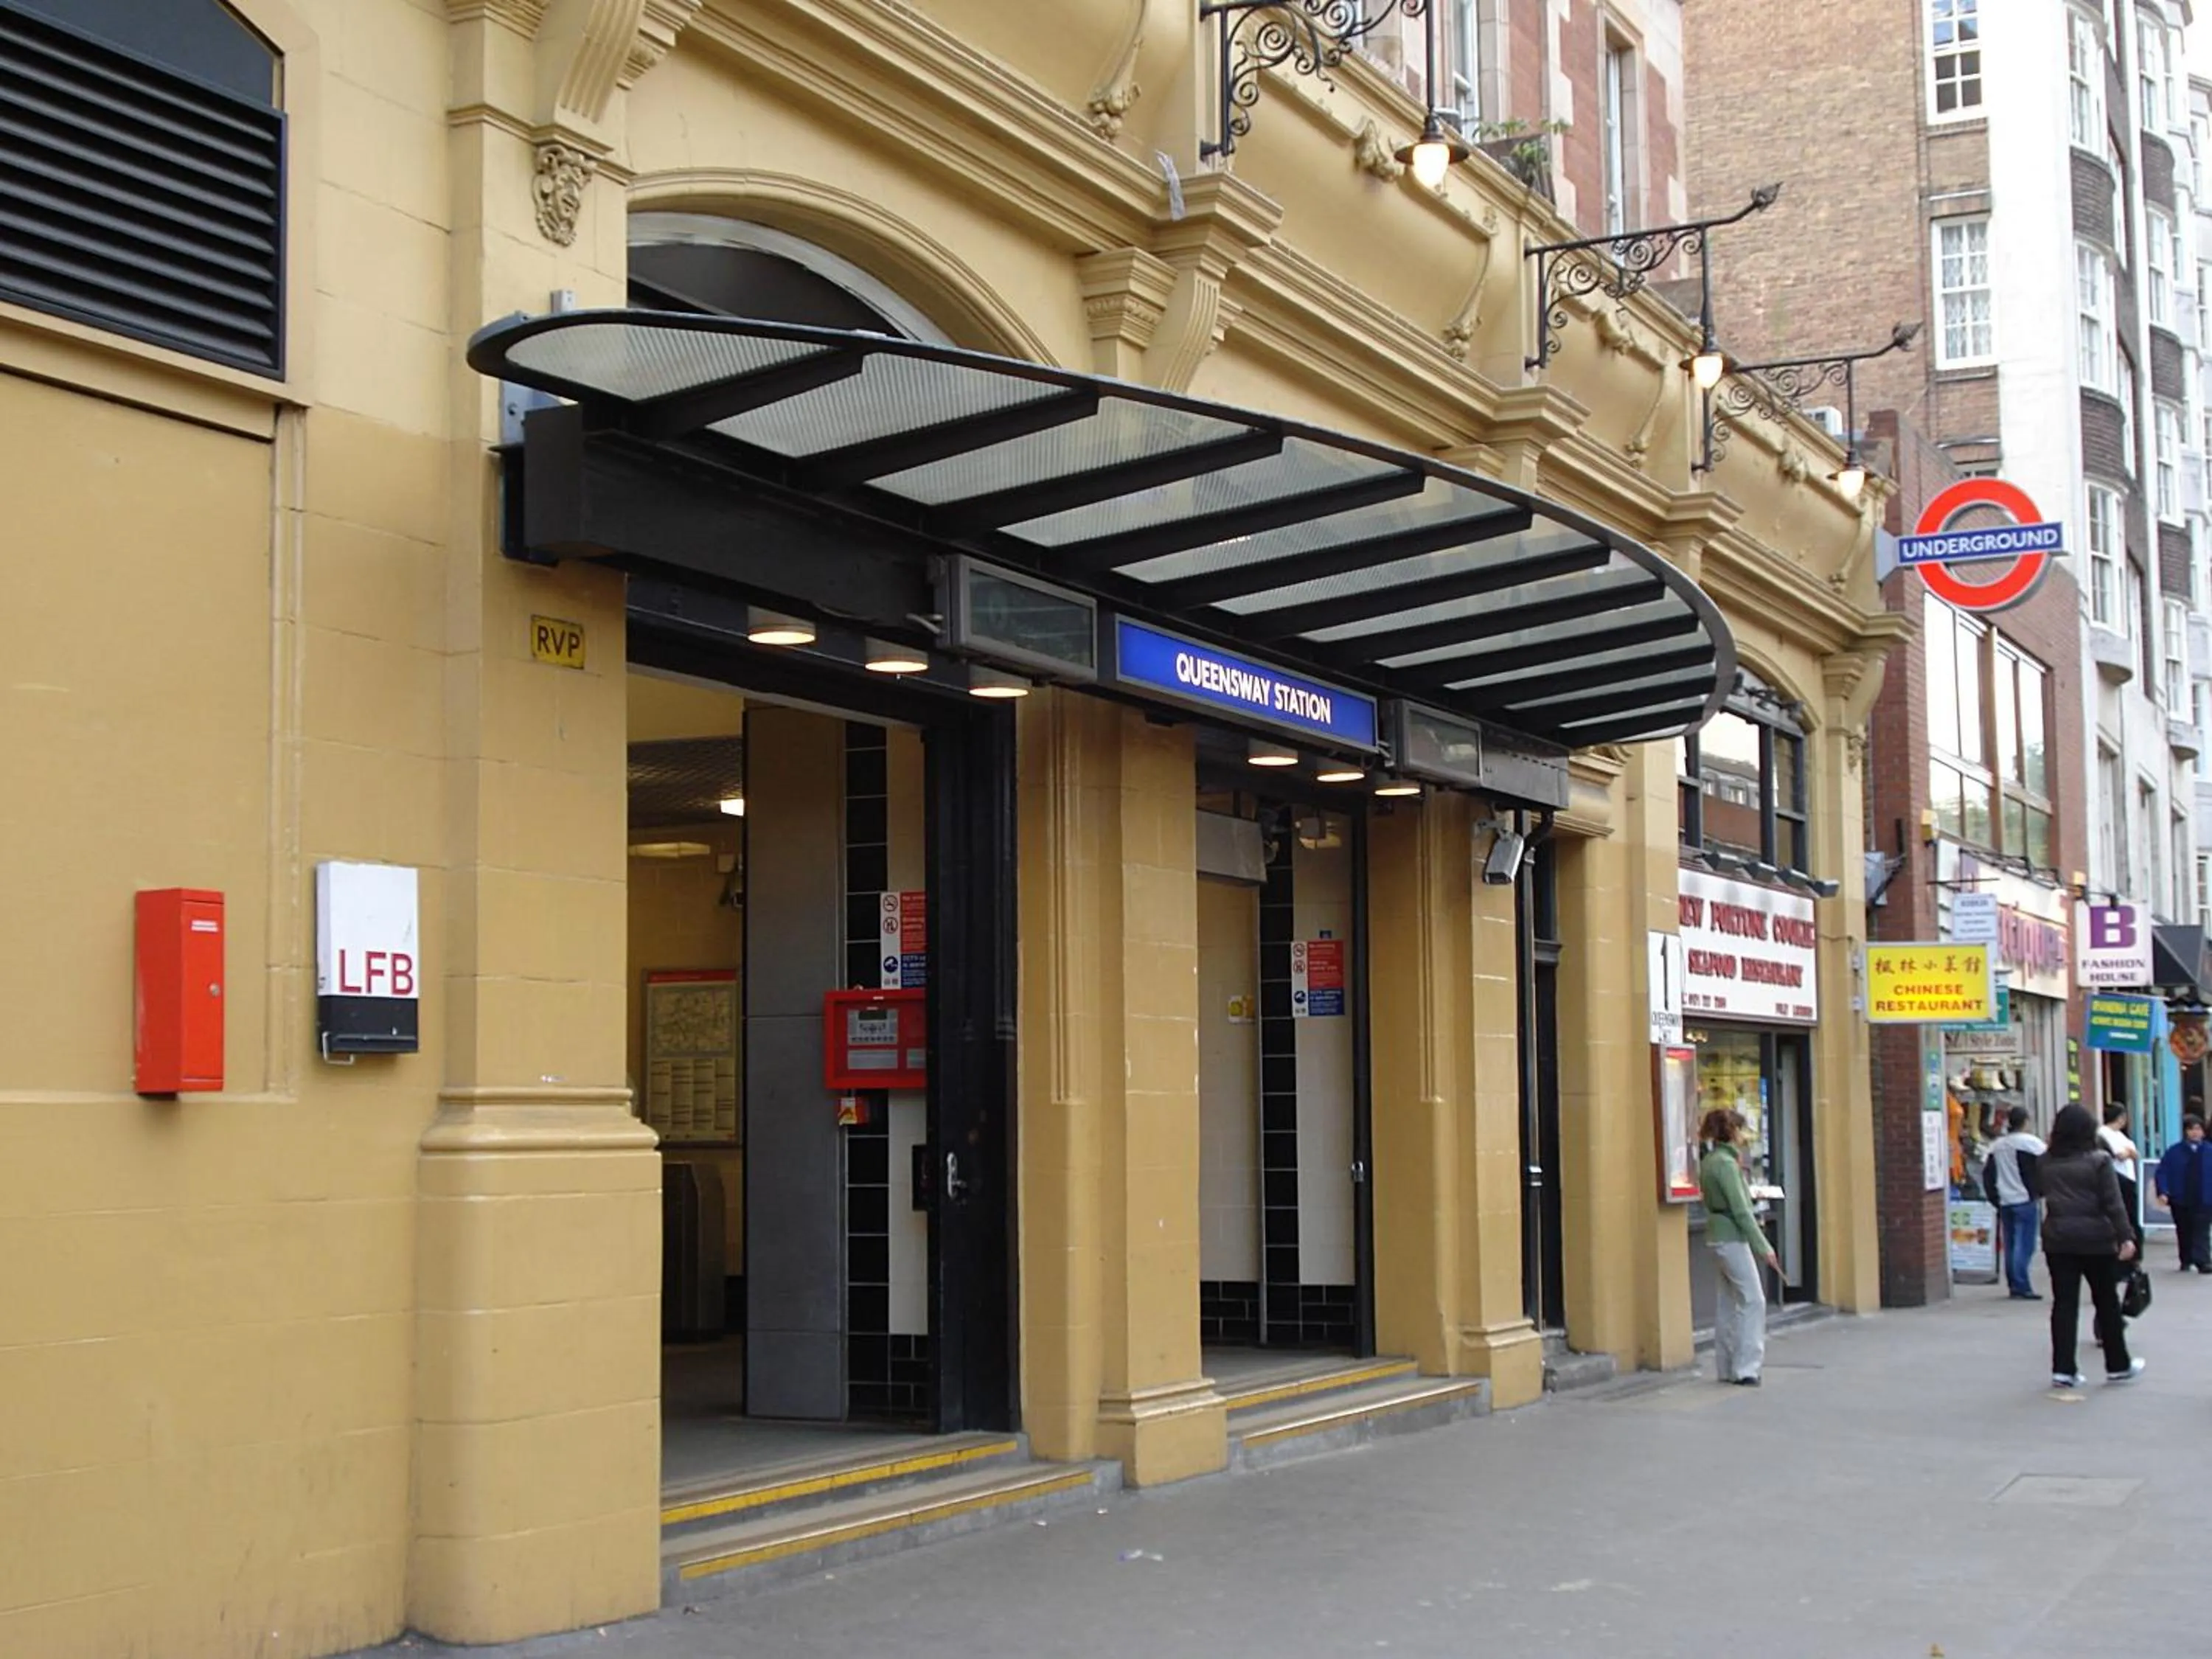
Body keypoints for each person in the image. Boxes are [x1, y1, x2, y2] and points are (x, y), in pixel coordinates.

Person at [2040, 1104, 2144, 1387]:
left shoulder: (2046, 1161)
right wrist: (2126, 1236)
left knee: (2064, 1304)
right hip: (2096, 1239)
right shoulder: (2098, 1161)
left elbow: (2037, 1189)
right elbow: (2114, 1203)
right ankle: (2117, 1364)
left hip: (2058, 1238)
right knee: (2106, 1301)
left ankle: (2063, 1369)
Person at [1699, 1107, 1776, 1387]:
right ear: (1731, 1131)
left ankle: (1726, 1365)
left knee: (1728, 1302)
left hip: (1715, 1235)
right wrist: (1763, 1246)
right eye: (1741, 1129)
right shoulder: (1727, 1165)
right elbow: (1742, 1210)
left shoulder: (1710, 1161)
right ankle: (1747, 1367)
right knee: (1754, 1300)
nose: (1744, 1136)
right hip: (1732, 1236)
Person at [1986, 1106, 2047, 1301]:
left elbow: (1988, 1174)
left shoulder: (1997, 1146)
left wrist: (1994, 1198)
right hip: (2025, 1199)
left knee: (2011, 1244)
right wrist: (2041, 1191)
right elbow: (2047, 1165)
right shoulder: (2031, 1144)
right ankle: (2022, 1285)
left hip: (2005, 1200)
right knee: (2025, 1245)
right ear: (2026, 1122)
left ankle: (2014, 1283)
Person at [2152, 1113, 2212, 1272]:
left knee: (2202, 1230)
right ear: (2185, 1132)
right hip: (2181, 1197)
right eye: (2191, 1129)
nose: (2195, 1133)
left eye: (2198, 1129)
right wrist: (2163, 1191)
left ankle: (2203, 1261)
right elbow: (2163, 1172)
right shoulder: (2175, 1151)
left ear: (2203, 1132)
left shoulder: (2209, 1151)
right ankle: (2186, 1258)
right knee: (2184, 1230)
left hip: (2204, 1197)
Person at [2098, 1102, 2143, 1245]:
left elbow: (2135, 1153)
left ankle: (2135, 1256)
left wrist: (2129, 1153)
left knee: (2133, 1217)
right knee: (2125, 1216)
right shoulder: (2103, 1133)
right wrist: (2128, 1153)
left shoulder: (2121, 1135)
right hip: (2117, 1178)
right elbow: (2119, 1154)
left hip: (2129, 1179)